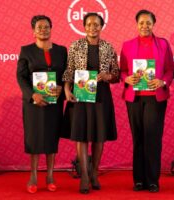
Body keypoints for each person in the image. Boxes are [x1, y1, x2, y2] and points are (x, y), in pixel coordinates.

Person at [62, 12, 119, 194]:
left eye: (96, 24)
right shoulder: (75, 46)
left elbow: (116, 74)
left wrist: (108, 76)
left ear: (101, 26)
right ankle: (85, 176)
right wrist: (66, 90)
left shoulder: (108, 47)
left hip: (101, 93)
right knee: (81, 135)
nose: (92, 27)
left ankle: (94, 172)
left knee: (99, 135)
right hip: (80, 93)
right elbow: (69, 71)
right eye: (89, 24)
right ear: (84, 26)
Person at [120, 9, 174, 193]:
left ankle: (152, 180)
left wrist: (163, 81)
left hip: (155, 98)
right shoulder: (127, 45)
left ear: (153, 24)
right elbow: (122, 70)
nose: (145, 26)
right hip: (134, 98)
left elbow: (169, 70)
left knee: (153, 139)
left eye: (148, 23)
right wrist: (126, 78)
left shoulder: (163, 44)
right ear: (136, 24)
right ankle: (138, 180)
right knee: (138, 139)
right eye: (141, 22)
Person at [17, 15, 67, 193]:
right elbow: (21, 77)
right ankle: (33, 176)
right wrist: (32, 95)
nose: (43, 30)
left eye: (46, 27)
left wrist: (62, 87)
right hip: (33, 104)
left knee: (52, 137)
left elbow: (66, 75)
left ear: (51, 29)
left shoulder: (62, 51)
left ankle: (51, 175)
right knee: (34, 138)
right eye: (39, 27)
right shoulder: (26, 50)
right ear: (33, 31)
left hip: (54, 101)